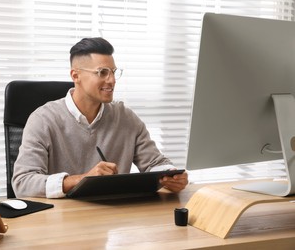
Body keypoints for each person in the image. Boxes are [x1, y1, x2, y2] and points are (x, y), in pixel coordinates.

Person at [12, 37, 189, 198]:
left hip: (112, 222)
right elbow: (23, 182)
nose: (111, 80)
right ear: (76, 75)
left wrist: (171, 175)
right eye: (102, 72)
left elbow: (155, 163)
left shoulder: (125, 117)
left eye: (113, 72)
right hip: (61, 222)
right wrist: (81, 179)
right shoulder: (43, 120)